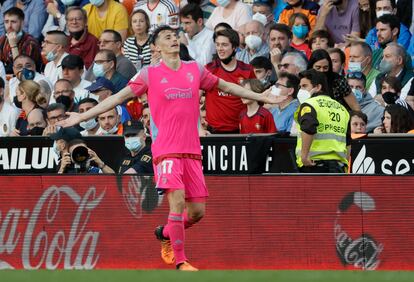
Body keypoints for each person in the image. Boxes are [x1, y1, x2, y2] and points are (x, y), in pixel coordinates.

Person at [57, 25, 285, 271]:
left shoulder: (194, 69)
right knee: (176, 202)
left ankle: (165, 232)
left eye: (176, 36)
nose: (174, 39)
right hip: (165, 149)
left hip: (192, 151)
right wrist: (80, 118)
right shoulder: (149, 74)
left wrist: (264, 98)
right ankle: (181, 261)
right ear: (156, 47)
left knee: (197, 212)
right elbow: (116, 98)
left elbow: (227, 86)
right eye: (167, 37)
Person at [296, 69, 350, 173]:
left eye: (304, 86)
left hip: (313, 165)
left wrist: (304, 156)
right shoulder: (342, 109)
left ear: (318, 87)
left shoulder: (309, 104)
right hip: (338, 167)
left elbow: (308, 128)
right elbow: (348, 142)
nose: (301, 90)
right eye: (300, 86)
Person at [205, 28, 256, 134]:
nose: (220, 48)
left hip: (241, 130)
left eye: (224, 45)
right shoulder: (209, 69)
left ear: (235, 47)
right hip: (214, 131)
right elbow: (195, 98)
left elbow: (256, 99)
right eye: (217, 44)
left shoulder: (247, 70)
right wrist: (200, 127)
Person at [0, 7, 42, 74]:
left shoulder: (30, 43)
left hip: (29, 80)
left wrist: (13, 45)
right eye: (6, 22)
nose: (9, 26)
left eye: (13, 22)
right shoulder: (2, 40)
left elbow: (21, 69)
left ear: (22, 23)